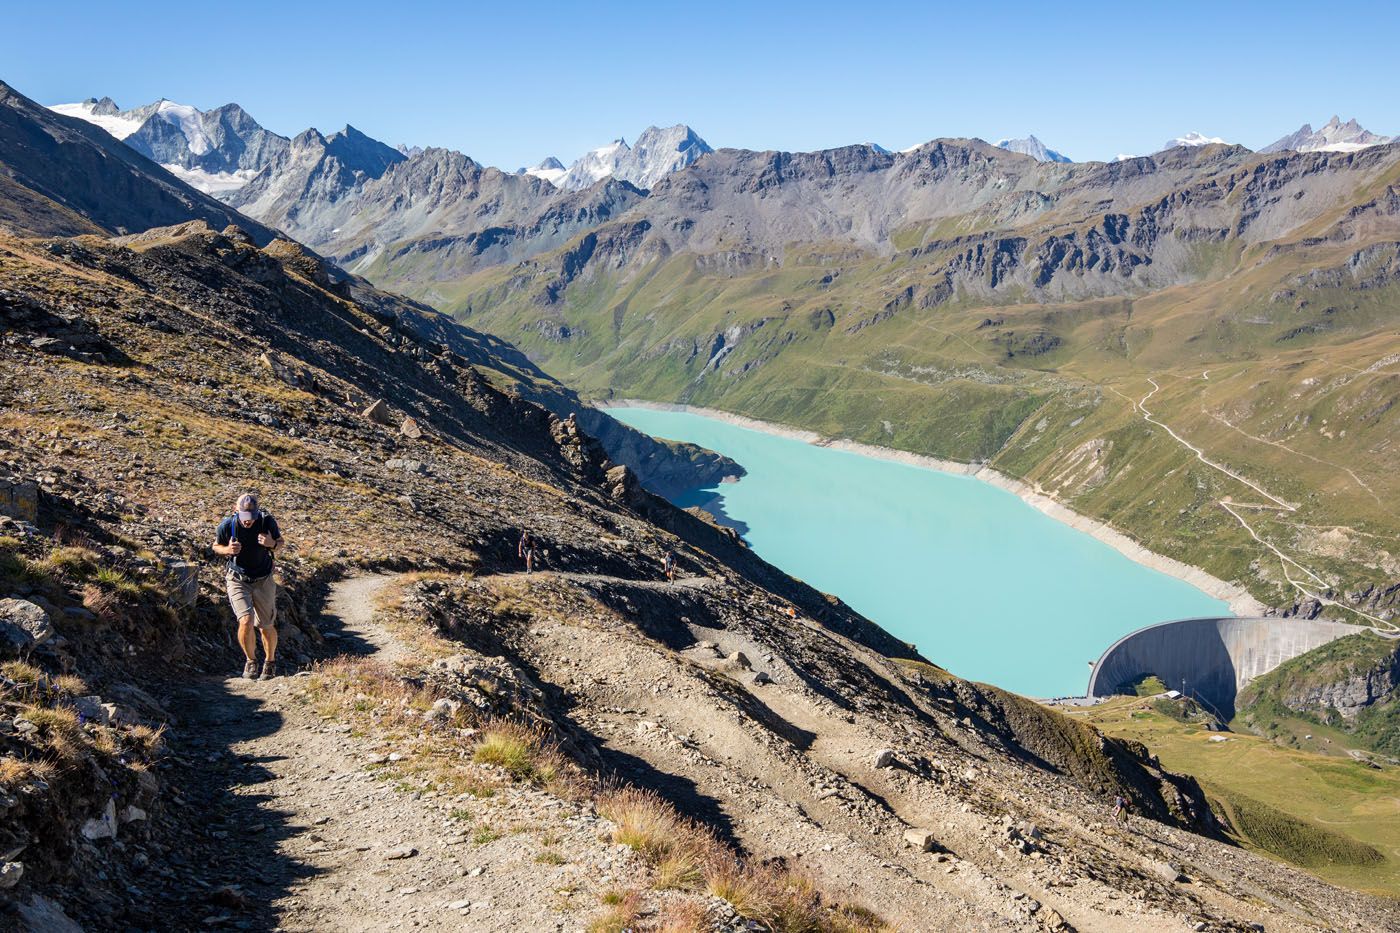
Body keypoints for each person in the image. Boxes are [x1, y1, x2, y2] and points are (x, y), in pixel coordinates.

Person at [212, 494, 284, 680]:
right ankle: (251, 661)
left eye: (251, 518)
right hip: (237, 578)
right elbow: (216, 546)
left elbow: (280, 543)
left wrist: (272, 544)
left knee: (265, 625)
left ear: (257, 512)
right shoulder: (228, 525)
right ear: (236, 510)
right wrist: (227, 550)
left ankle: (270, 662)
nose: (248, 522)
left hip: (264, 579)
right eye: (244, 517)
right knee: (245, 620)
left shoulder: (266, 522)